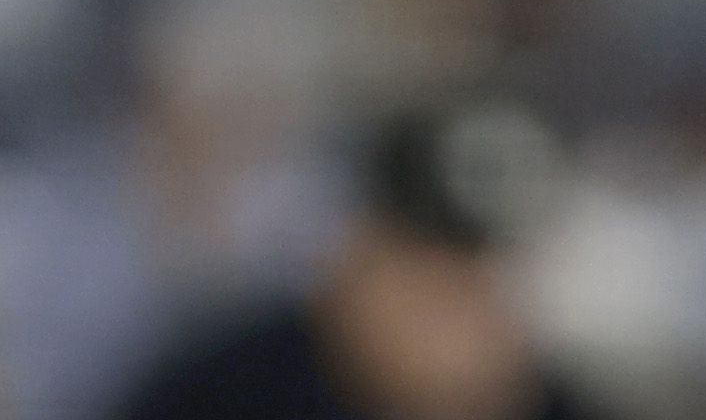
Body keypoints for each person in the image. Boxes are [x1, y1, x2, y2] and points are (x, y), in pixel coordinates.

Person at [113, 102, 595, 420]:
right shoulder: (218, 393)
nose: (462, 311)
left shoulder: (568, 406)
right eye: (429, 272)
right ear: (355, 254)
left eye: (487, 276)